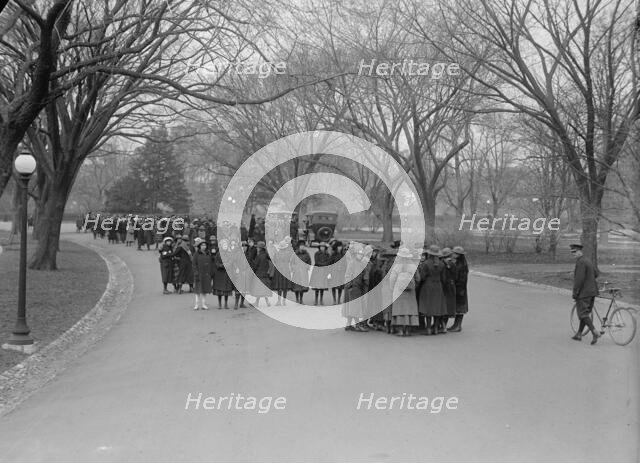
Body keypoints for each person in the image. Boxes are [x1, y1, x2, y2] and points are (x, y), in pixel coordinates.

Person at [570, 243, 600, 344]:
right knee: (585, 314)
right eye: (572, 252)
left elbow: (578, 280)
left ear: (580, 252)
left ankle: (594, 331)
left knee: (582, 314)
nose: (573, 254)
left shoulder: (581, 262)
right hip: (592, 291)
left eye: (575, 252)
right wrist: (590, 280)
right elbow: (596, 273)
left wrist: (575, 293)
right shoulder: (588, 260)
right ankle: (579, 334)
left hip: (584, 292)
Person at [416, 245, 447, 334]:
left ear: (429, 253)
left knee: (428, 308)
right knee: (437, 308)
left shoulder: (426, 264)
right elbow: (444, 278)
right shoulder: (442, 264)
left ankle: (429, 328)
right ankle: (436, 328)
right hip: (438, 286)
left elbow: (422, 277)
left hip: (427, 286)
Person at [390, 248, 420, 336]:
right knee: (410, 309)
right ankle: (408, 330)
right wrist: (414, 286)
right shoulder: (413, 266)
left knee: (399, 309)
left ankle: (400, 330)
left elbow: (392, 279)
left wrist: (393, 288)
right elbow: (418, 278)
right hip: (410, 291)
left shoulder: (397, 266)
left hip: (398, 290)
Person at [342, 245, 369, 331]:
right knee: (354, 307)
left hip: (358, 287)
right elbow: (348, 275)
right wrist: (350, 285)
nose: (360, 256)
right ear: (356, 254)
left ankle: (349, 324)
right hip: (353, 288)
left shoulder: (361, 264)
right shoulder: (352, 263)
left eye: (362, 254)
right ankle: (357, 324)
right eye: (359, 254)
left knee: (353, 307)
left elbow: (364, 277)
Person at [448, 246, 468, 332]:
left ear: (460, 255)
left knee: (460, 308)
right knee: (457, 307)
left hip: (460, 289)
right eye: (454, 253)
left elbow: (462, 279)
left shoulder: (462, 265)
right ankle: (455, 325)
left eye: (456, 254)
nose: (453, 254)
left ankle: (458, 325)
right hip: (456, 287)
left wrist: (459, 287)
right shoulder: (456, 262)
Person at [212, 239, 234, 309]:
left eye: (226, 245)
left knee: (226, 290)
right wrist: (222, 266)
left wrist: (226, 265)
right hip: (219, 273)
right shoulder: (218, 254)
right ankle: (219, 304)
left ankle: (226, 304)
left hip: (227, 274)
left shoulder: (230, 253)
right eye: (224, 245)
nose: (225, 246)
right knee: (219, 291)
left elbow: (231, 262)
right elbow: (216, 263)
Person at [440, 247, 458, 333]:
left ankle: (443, 326)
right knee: (445, 307)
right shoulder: (450, 264)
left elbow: (453, 277)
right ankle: (442, 325)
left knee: (445, 307)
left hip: (447, 288)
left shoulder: (447, 264)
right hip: (448, 287)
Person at [192, 237, 212, 310]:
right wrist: (196, 272)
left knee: (204, 290)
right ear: (199, 246)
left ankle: (203, 304)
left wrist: (210, 273)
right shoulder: (196, 254)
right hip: (199, 274)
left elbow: (210, 263)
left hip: (206, 274)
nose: (204, 246)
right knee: (197, 290)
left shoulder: (208, 253)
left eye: (205, 245)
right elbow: (194, 264)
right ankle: (196, 304)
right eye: (202, 245)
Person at [271, 240, 293, 306]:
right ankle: (284, 301)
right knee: (285, 287)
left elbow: (274, 260)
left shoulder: (277, 253)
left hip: (279, 271)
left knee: (279, 287)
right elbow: (289, 261)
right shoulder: (288, 253)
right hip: (286, 270)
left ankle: (279, 301)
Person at [251, 241, 272, 307]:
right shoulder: (266, 255)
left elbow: (255, 265)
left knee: (259, 289)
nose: (257, 249)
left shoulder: (259, 256)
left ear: (260, 248)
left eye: (257, 247)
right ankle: (267, 302)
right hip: (265, 274)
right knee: (263, 289)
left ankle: (258, 303)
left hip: (259, 274)